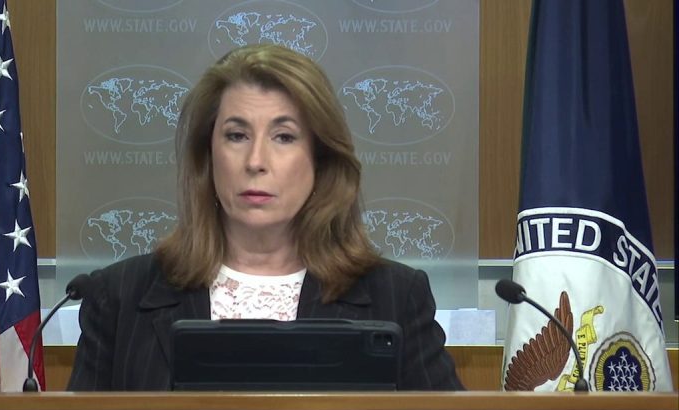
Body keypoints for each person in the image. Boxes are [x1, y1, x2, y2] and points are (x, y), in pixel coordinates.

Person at [67, 43, 464, 391]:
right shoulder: (118, 296)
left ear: (320, 158)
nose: (256, 161)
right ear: (208, 155)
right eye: (236, 135)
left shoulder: (396, 296)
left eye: (284, 137)